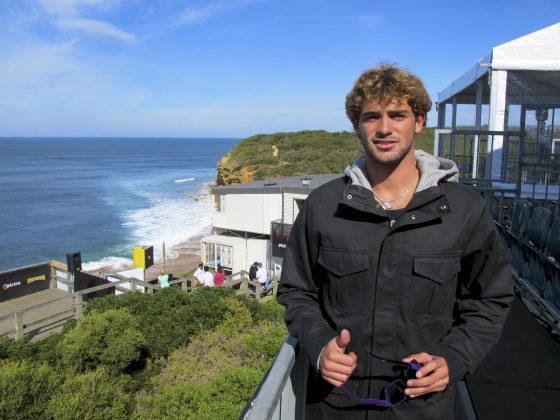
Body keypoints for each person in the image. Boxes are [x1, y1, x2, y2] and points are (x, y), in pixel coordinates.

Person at [276, 64, 514, 419]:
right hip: (335, 405)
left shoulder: (464, 210)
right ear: (357, 126)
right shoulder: (323, 207)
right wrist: (319, 345)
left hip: (424, 407)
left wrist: (455, 358)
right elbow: (297, 291)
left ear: (419, 121)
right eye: (372, 117)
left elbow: (490, 299)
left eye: (397, 115)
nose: (384, 128)